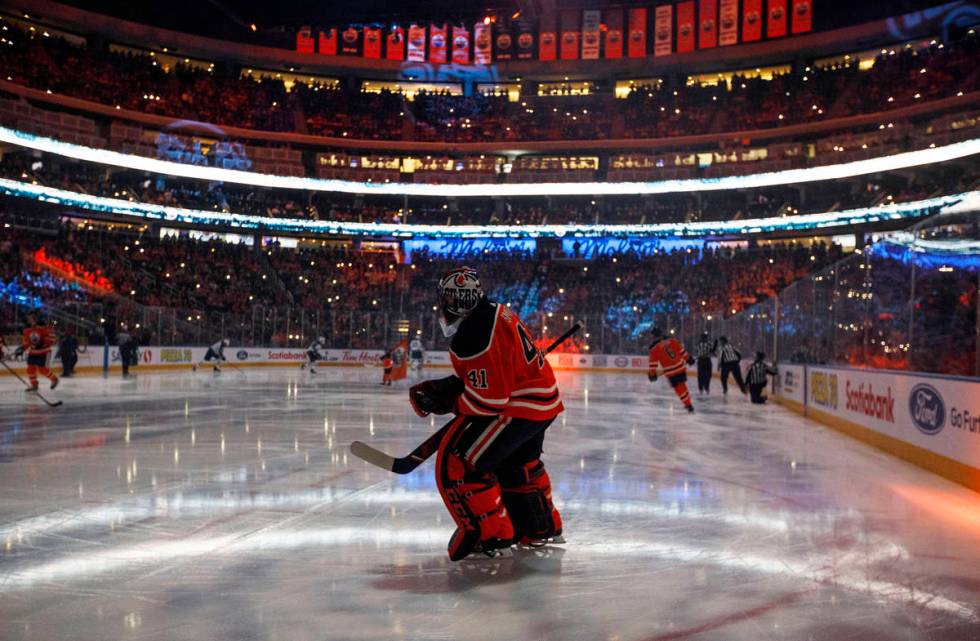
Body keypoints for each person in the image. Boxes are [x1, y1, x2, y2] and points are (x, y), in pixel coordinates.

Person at [409, 267, 564, 561]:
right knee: (519, 465)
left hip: (520, 407)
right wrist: (449, 387)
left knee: (461, 463)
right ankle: (540, 527)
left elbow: (489, 402)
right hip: (541, 400)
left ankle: (491, 535)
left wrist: (449, 402)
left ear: (453, 301)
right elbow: (495, 371)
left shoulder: (472, 334)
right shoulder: (493, 310)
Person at [647, 327, 695, 413]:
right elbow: (682, 351)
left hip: (671, 372)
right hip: (681, 367)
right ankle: (688, 403)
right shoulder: (672, 341)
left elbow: (653, 364)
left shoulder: (654, 349)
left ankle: (688, 405)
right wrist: (688, 359)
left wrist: (652, 374)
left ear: (653, 336)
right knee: (683, 386)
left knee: (679, 389)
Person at [21, 312, 58, 391]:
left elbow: (52, 337)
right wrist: (23, 348)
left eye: (31, 317)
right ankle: (34, 385)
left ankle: (54, 379)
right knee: (30, 368)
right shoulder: (26, 329)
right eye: (29, 318)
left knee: (42, 369)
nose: (30, 319)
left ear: (35, 318)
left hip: (43, 352)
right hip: (33, 352)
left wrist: (43, 343)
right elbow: (26, 341)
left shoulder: (44, 326)